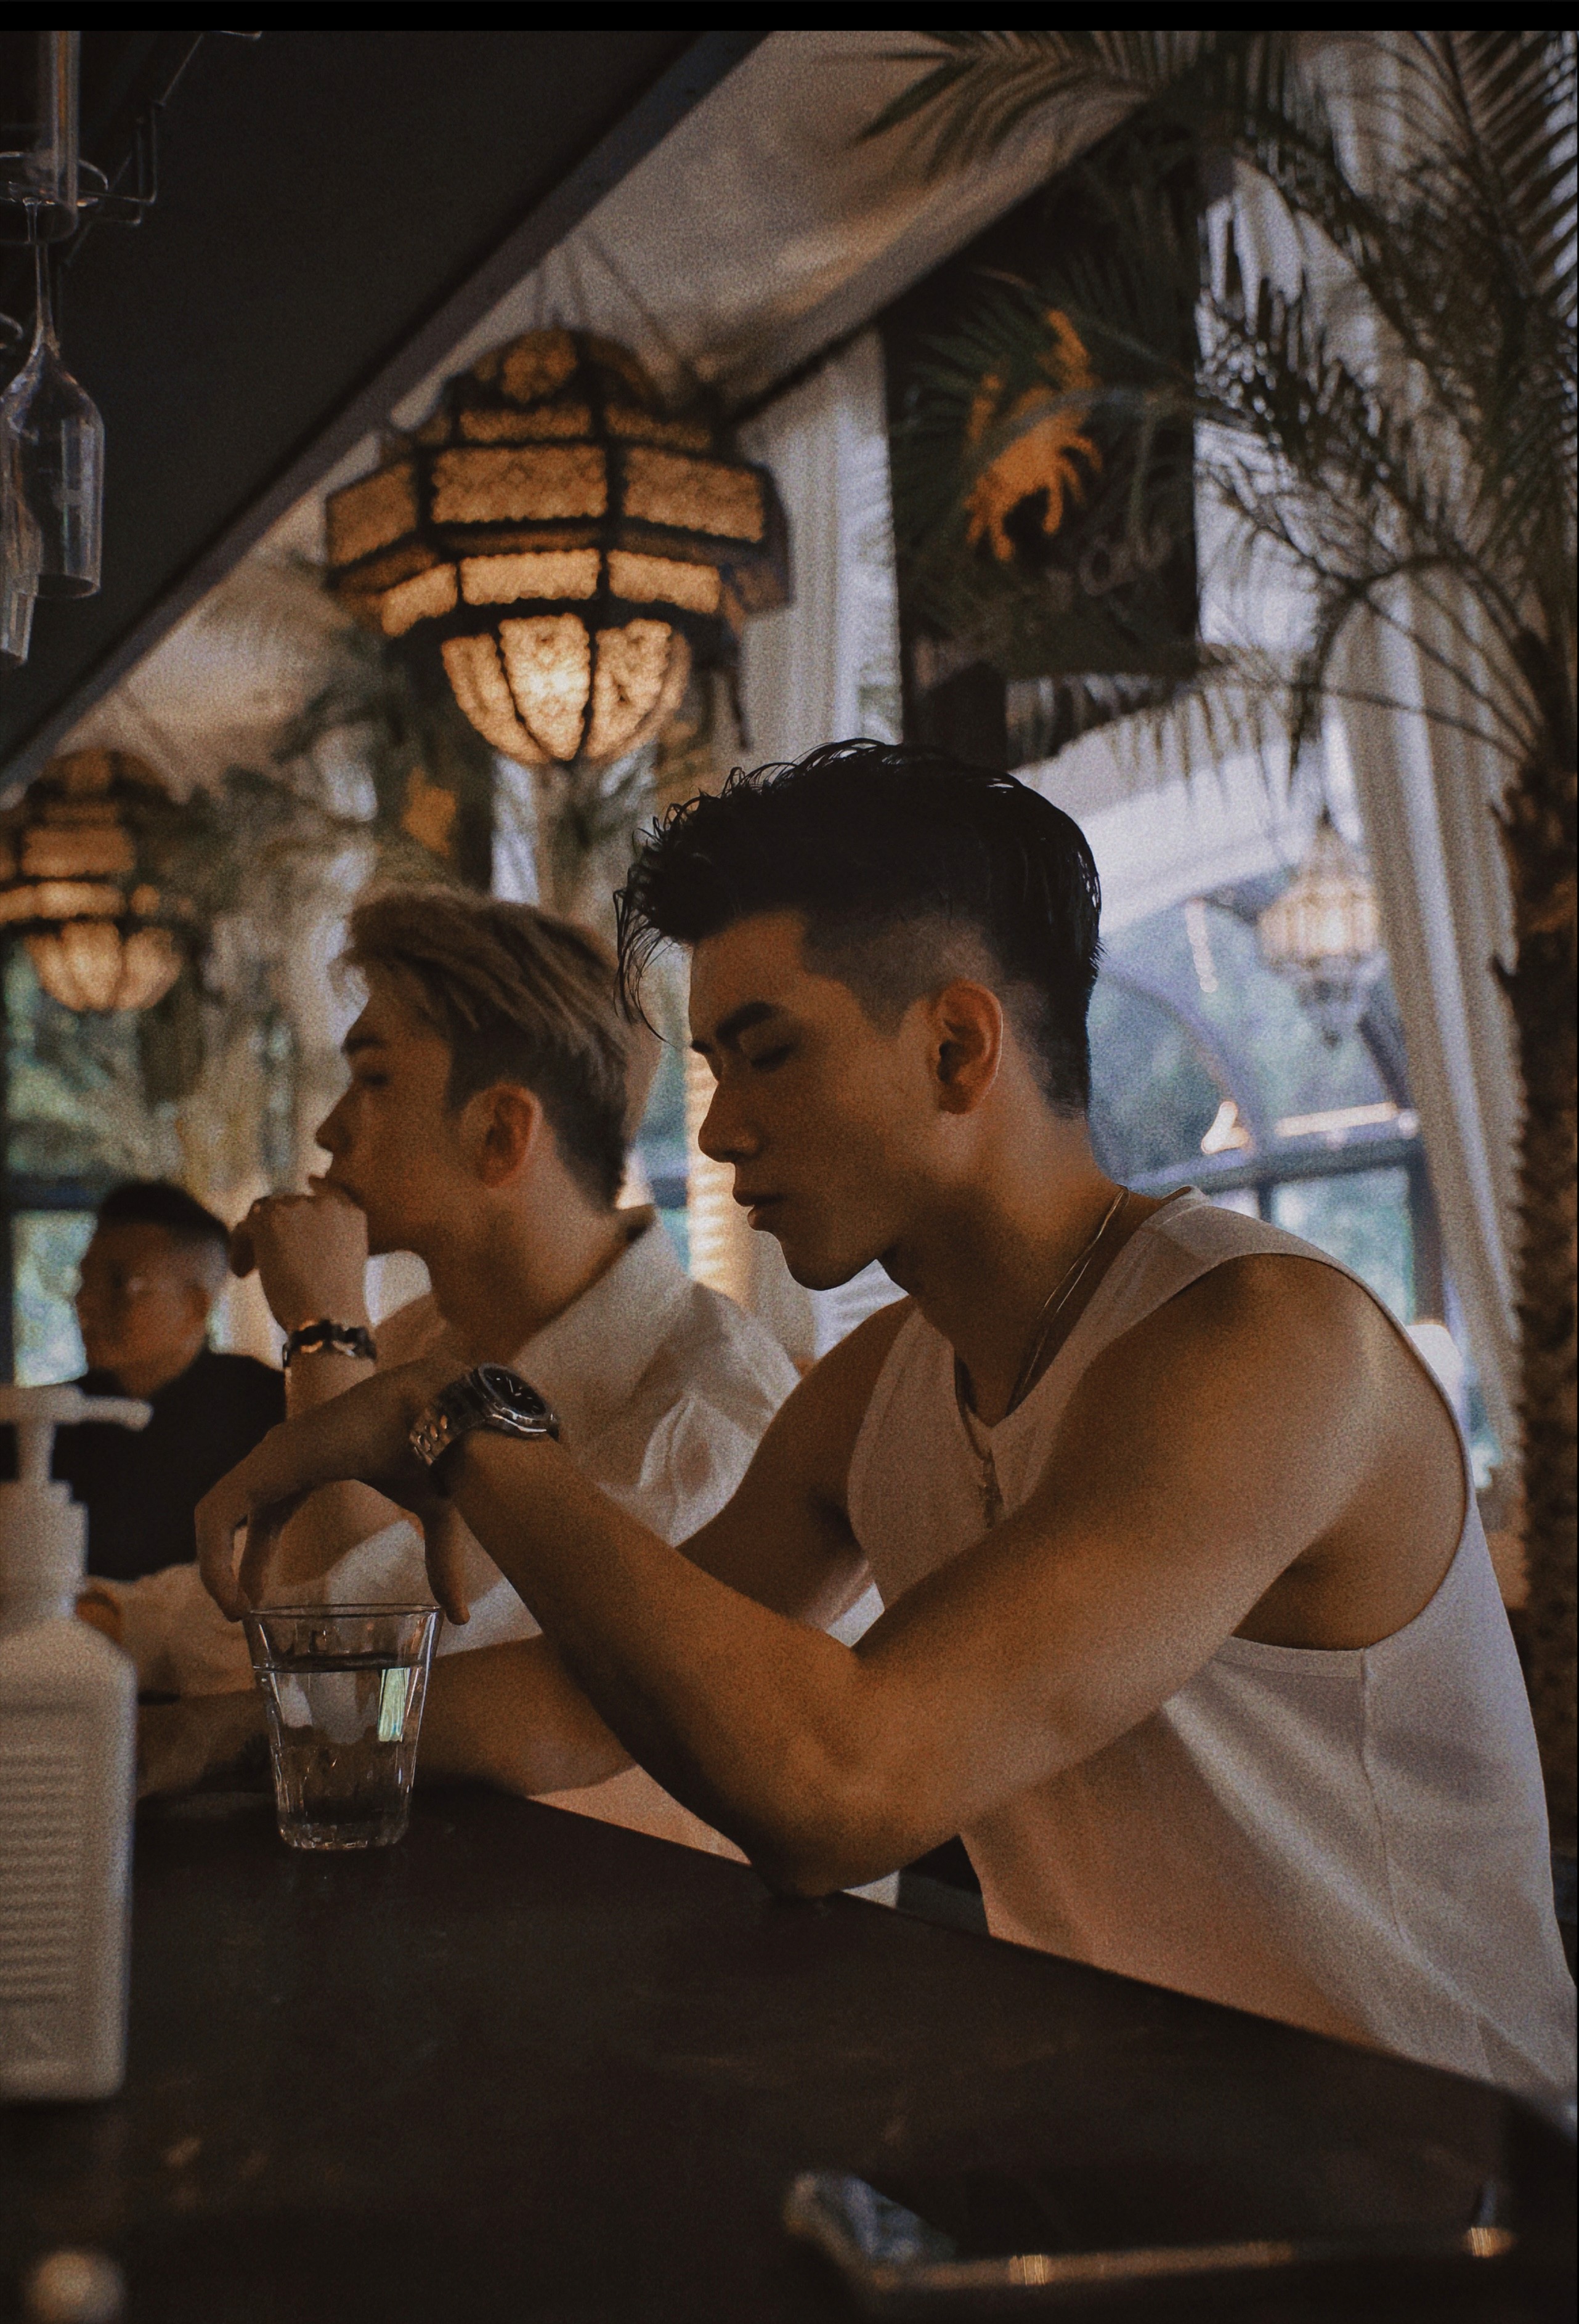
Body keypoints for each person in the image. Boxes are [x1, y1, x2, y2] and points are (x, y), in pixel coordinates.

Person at [198, 742, 1575, 2097]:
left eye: (766, 1054)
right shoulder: (880, 1387)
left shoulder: (1263, 1340)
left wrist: (464, 1419)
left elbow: (838, 1789)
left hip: (1446, 2202)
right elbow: (572, 1706)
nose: (722, 1129)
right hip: (1126, 2159)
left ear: (958, 1043)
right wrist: (212, 1737)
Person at [156, 886, 798, 1856]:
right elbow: (252, 1620)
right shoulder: (427, 1342)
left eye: (371, 1079)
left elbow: (346, 1698)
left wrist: (325, 1331)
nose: (329, 1130)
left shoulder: (707, 1415)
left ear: (500, 1133)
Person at [0, 1180, 283, 1582]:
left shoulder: (266, 1411)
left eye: (118, 1284)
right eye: (85, 1280)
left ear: (195, 1305)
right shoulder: (46, 1421)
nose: (87, 1301)